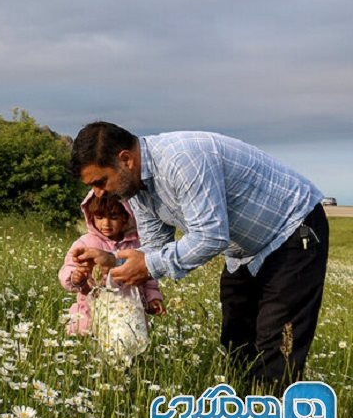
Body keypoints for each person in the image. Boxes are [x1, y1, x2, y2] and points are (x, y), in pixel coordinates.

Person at [70, 122, 328, 387]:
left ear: (126, 159)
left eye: (101, 182)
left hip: (293, 230)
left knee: (277, 346)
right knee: (236, 340)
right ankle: (238, 415)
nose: (98, 193)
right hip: (243, 251)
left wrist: (149, 265)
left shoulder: (182, 161)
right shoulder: (134, 188)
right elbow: (155, 246)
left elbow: (212, 236)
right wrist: (113, 261)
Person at [59, 190, 165, 335]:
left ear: (126, 217)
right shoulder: (85, 243)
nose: (106, 223)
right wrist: (75, 278)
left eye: (113, 217)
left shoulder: (138, 245)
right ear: (91, 217)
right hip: (92, 307)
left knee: (131, 342)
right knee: (85, 334)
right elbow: (69, 267)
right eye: (99, 217)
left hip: (129, 311)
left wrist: (152, 298)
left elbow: (147, 275)